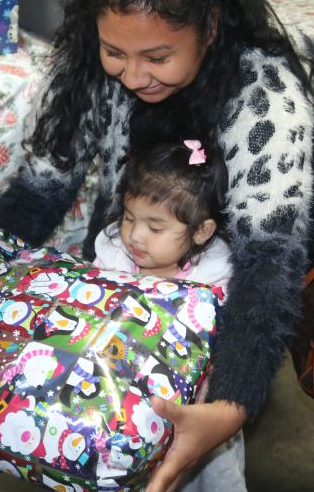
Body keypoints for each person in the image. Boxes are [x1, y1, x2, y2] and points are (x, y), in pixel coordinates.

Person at [0, 0, 314, 492]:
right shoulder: (100, 60)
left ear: (212, 27)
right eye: (114, 51)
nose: (131, 75)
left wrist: (231, 402)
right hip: (153, 196)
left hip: (237, 223)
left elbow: (270, 260)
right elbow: (44, 184)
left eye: (158, 57)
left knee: (224, 354)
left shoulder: (269, 88)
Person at [93, 139, 244, 492]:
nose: (135, 236)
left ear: (202, 231)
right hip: (120, 405)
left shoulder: (213, 281)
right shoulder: (113, 258)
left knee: (210, 478)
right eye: (129, 217)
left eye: (155, 228)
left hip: (193, 412)